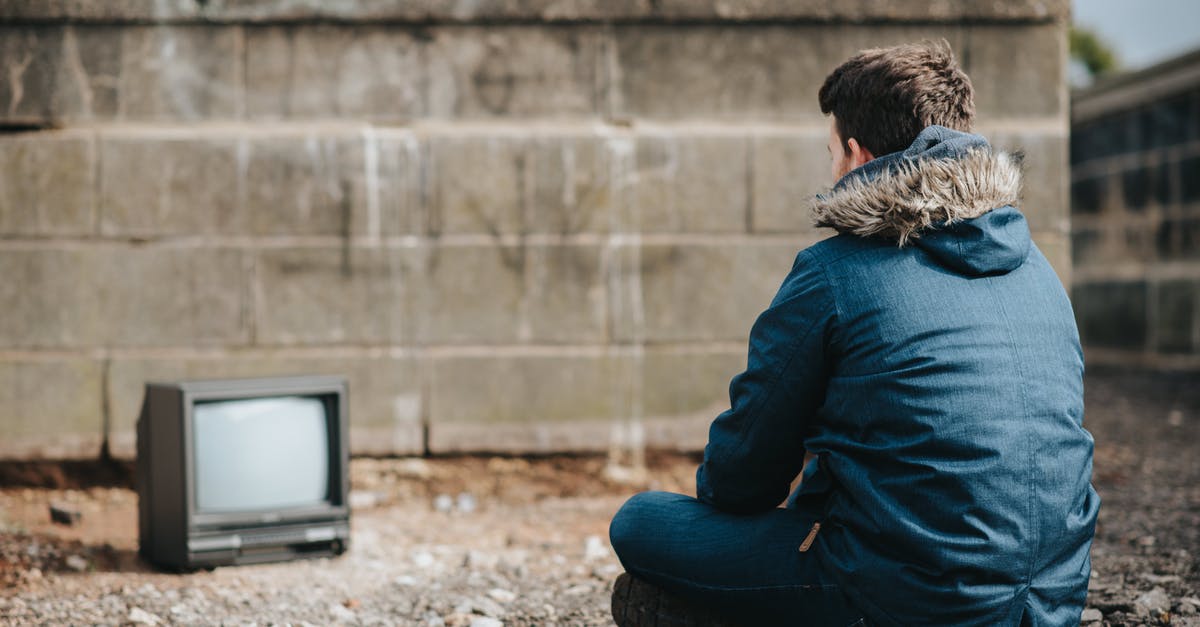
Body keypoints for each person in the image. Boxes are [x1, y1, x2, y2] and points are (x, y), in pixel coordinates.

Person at [608, 40, 1100, 627]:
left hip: (910, 597)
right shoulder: (1037, 268)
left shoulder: (834, 271)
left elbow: (741, 480)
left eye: (831, 153)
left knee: (640, 523)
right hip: (1051, 597)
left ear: (853, 153)